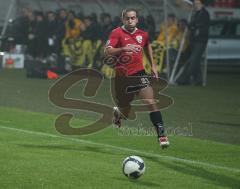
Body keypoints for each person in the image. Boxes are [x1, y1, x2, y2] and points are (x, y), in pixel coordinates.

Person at [104, 8, 169, 148]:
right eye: (127, 18)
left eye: (133, 18)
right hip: (122, 78)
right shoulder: (117, 33)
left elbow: (147, 47)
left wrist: (153, 66)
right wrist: (123, 49)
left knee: (151, 102)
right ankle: (118, 114)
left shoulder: (143, 34)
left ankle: (162, 135)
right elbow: (107, 51)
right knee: (125, 111)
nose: (130, 20)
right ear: (123, 19)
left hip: (139, 74)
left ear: (137, 19)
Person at [178, 0, 210, 85]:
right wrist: (189, 25)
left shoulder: (204, 13)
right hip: (194, 40)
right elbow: (192, 24)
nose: (196, 5)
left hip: (200, 41)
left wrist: (192, 27)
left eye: (197, 3)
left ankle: (183, 79)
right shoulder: (196, 13)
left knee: (193, 60)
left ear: (202, 4)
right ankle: (198, 80)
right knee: (196, 61)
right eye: (195, 3)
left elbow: (199, 26)